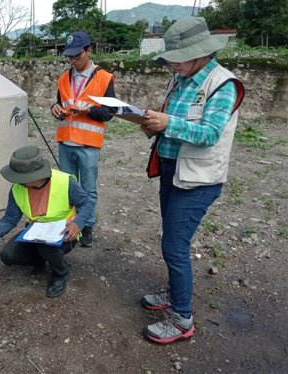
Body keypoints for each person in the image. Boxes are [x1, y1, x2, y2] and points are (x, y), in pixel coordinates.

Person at [136, 17, 245, 344]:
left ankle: (183, 320)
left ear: (201, 53)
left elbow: (210, 133)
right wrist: (153, 125)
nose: (172, 63)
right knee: (170, 238)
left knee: (174, 244)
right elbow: (172, 122)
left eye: (178, 57)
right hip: (172, 169)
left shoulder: (222, 84)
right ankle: (173, 294)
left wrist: (167, 122)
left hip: (198, 179)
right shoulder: (180, 78)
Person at [0, 145, 94, 298]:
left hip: (64, 234)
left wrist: (77, 224)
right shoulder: (17, 189)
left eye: (18, 177)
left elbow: (87, 203)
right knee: (7, 255)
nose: (16, 181)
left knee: (46, 249)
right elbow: (9, 220)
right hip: (35, 233)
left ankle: (61, 272)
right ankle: (41, 261)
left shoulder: (64, 182)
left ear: (33, 176)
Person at [50, 31, 117, 247]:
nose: (72, 60)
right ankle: (71, 223)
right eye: (69, 56)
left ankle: (87, 226)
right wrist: (55, 108)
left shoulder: (104, 78)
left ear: (88, 50)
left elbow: (109, 112)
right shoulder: (63, 78)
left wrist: (88, 110)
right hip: (66, 142)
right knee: (67, 188)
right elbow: (59, 102)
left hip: (88, 145)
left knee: (88, 189)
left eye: (77, 56)